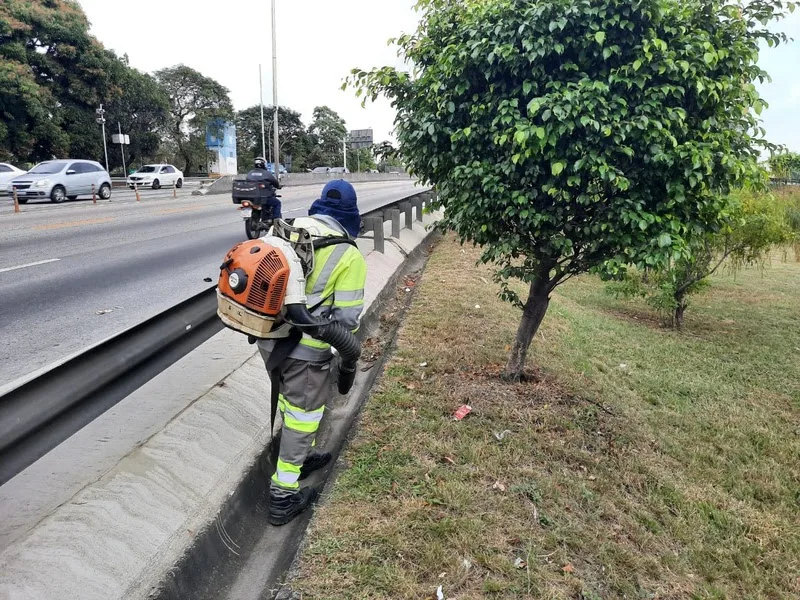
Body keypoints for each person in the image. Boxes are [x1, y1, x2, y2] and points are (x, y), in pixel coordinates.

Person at [258, 180, 366, 526]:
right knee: (304, 417)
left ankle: (298, 457)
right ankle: (283, 495)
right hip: (307, 352)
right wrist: (342, 355)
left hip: (268, 338)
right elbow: (346, 319)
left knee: (291, 404)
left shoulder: (289, 229)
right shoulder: (347, 253)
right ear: (350, 215)